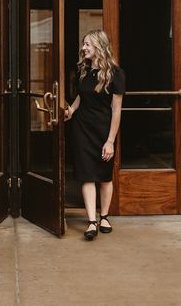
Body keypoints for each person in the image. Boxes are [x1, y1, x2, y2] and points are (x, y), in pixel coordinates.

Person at [65, 29, 125, 241]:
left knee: (104, 174)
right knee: (87, 174)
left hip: (103, 130)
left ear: (99, 46)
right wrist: (71, 111)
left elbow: (116, 110)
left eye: (88, 45)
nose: (84, 48)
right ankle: (91, 221)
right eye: (84, 44)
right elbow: (81, 97)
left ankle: (104, 216)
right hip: (82, 128)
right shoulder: (84, 70)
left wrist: (110, 141)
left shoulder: (115, 74)